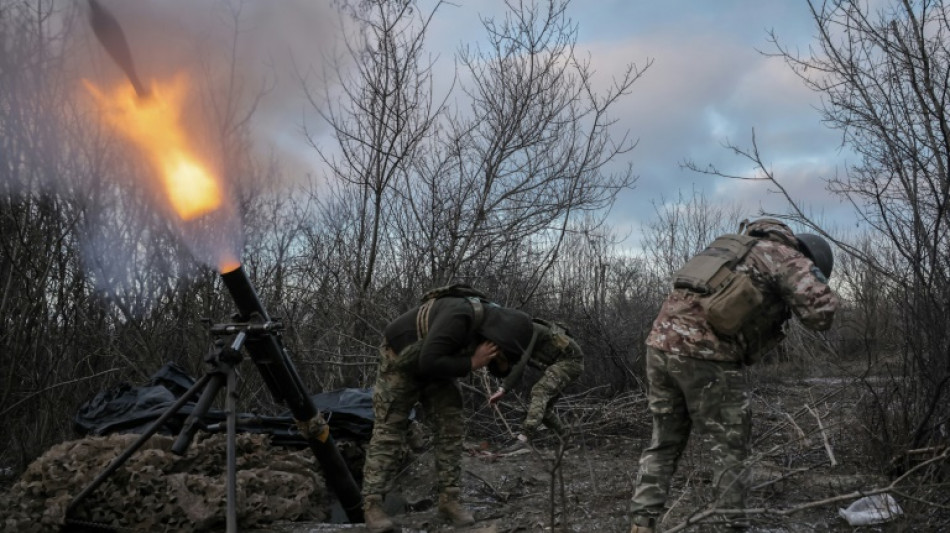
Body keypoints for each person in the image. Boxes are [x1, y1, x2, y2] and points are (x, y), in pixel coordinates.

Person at [628, 218, 839, 533]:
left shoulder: (727, 247)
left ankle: (641, 524)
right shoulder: (784, 254)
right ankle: (730, 527)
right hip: (707, 357)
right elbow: (821, 314)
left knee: (663, 443)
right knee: (730, 451)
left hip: (658, 347)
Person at [362, 292, 535, 533]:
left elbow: (499, 368)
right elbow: (428, 361)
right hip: (400, 357)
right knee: (390, 428)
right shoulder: (460, 316)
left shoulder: (491, 327)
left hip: (437, 362)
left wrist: (500, 362)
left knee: (451, 426)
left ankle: (449, 500)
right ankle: (372, 505)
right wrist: (473, 362)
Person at [488, 318, 584, 447]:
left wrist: (503, 388)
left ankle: (524, 437)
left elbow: (521, 362)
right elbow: (515, 365)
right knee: (544, 409)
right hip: (564, 363)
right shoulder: (519, 339)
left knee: (540, 391)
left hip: (571, 361)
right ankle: (568, 441)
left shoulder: (531, 330)